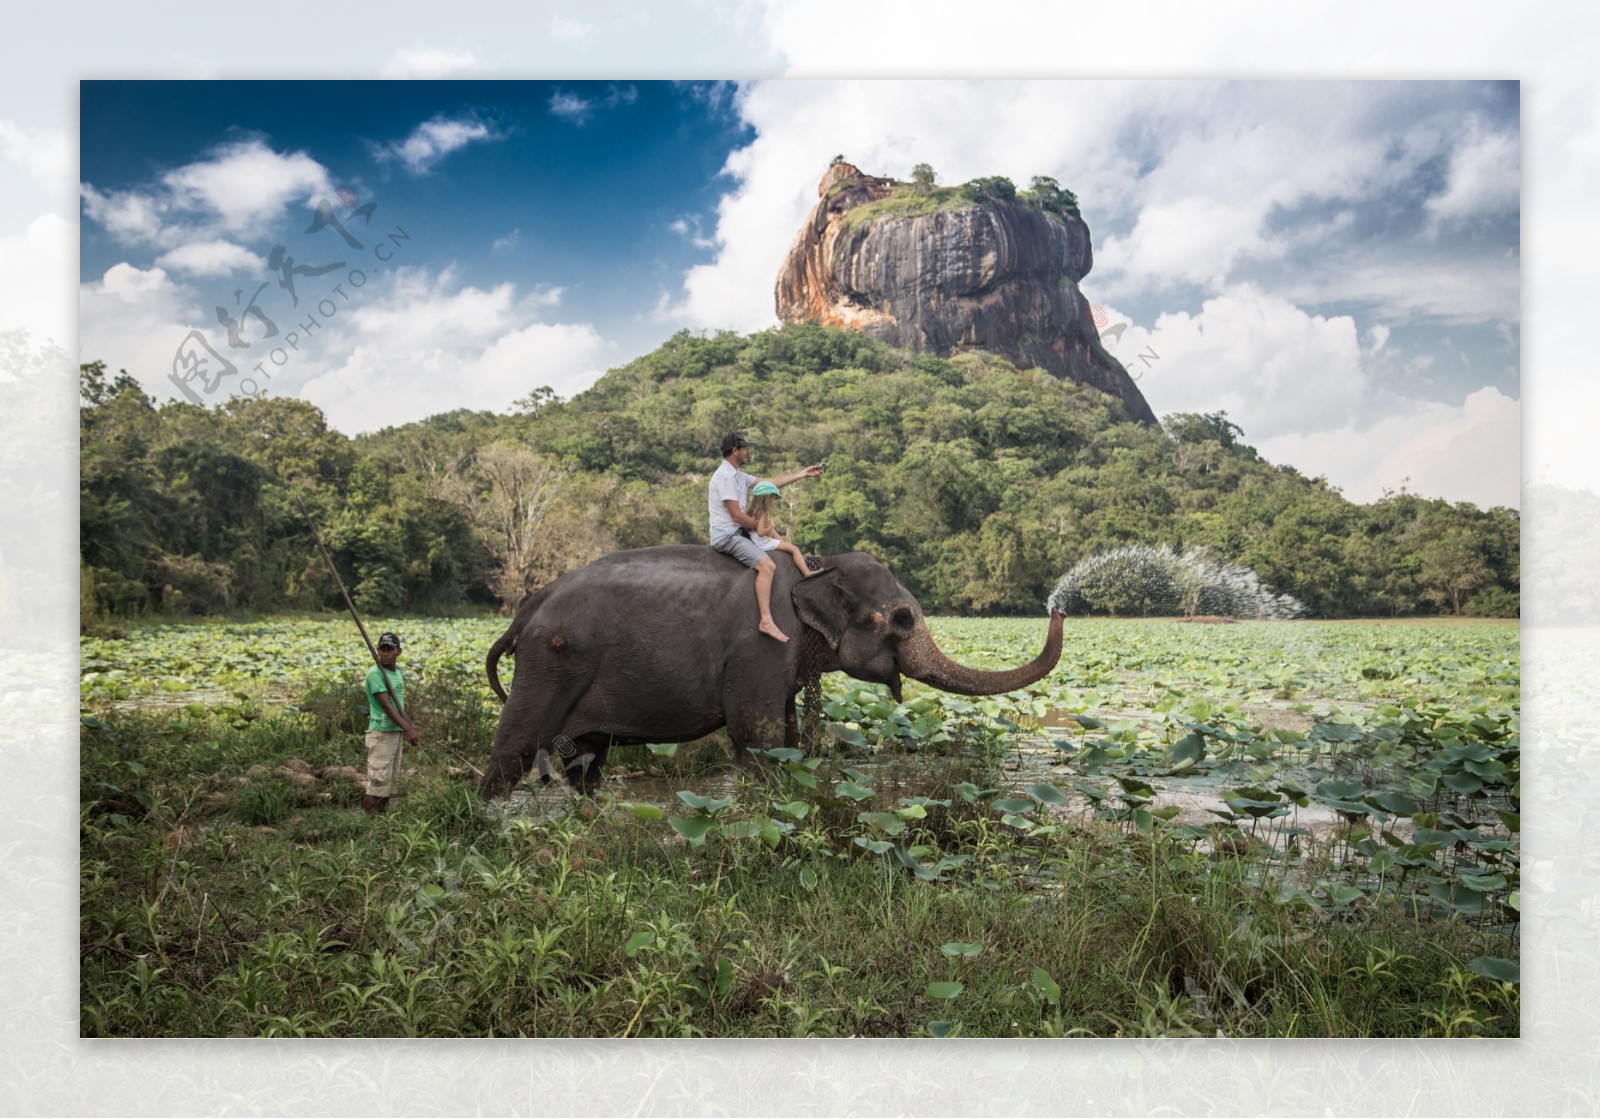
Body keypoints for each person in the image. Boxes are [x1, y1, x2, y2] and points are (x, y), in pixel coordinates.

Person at [708, 432, 823, 643]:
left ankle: (804, 570)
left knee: (780, 541)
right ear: (735, 451)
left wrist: (802, 474)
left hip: (740, 531)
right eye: (745, 449)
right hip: (728, 536)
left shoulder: (739, 476)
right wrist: (762, 529)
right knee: (767, 566)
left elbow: (769, 483)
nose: (748, 453)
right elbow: (735, 515)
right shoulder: (724, 477)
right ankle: (766, 620)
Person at [363, 631, 419, 815]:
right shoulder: (375, 674)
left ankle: (381, 824)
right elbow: (387, 706)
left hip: (395, 733)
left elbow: (399, 704)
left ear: (398, 652)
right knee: (377, 783)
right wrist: (407, 728)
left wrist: (410, 726)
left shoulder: (397, 673)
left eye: (389, 649)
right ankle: (369, 827)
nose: (385, 653)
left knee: (389, 785)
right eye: (382, 649)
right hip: (381, 734)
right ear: (377, 651)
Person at [744, 480, 814, 581]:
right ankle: (807, 573)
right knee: (794, 549)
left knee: (781, 541)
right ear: (766, 499)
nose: (773, 502)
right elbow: (760, 532)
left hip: (756, 541)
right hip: (762, 543)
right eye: (772, 498)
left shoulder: (751, 511)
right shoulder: (762, 512)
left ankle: (800, 561)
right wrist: (770, 527)